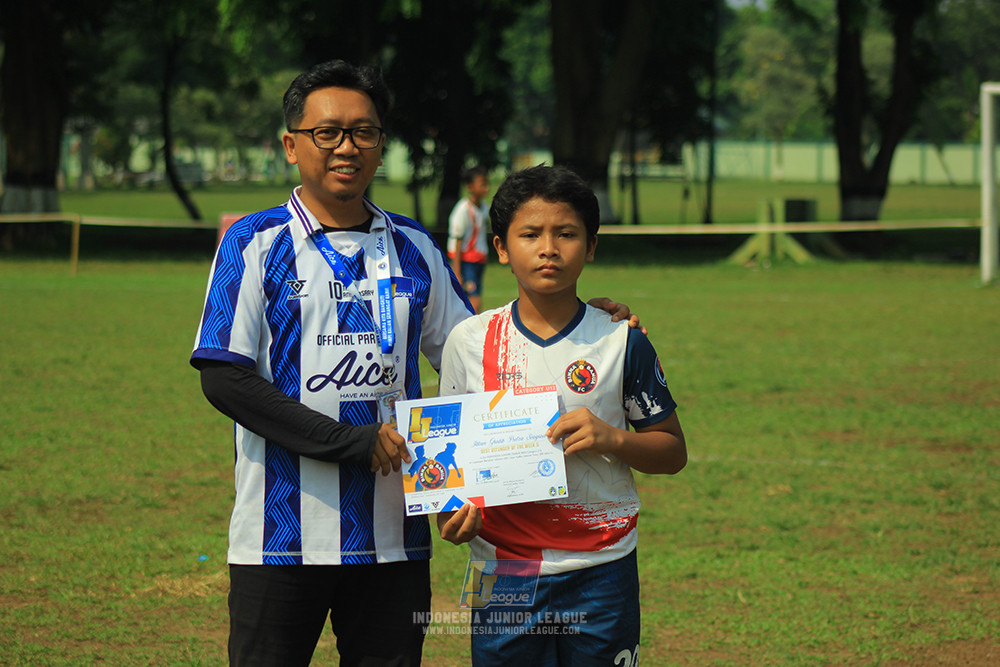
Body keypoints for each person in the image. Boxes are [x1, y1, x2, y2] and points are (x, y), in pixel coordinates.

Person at [190, 61, 643, 667]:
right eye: (328, 133)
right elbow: (225, 379)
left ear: (381, 145)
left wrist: (585, 319)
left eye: (364, 132)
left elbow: (486, 350)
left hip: (394, 541)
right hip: (277, 542)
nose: (347, 146)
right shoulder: (252, 241)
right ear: (291, 144)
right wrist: (349, 441)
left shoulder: (414, 247)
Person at [436, 165, 687, 667]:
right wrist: (450, 514)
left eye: (566, 234)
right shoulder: (468, 342)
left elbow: (672, 451)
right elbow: (445, 457)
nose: (548, 247)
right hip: (501, 569)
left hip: (602, 567)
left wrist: (610, 438)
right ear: (502, 248)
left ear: (591, 246)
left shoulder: (620, 339)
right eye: (530, 234)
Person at [447, 165, 491, 313]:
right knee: (475, 300)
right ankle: (472, 331)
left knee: (474, 297)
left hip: (479, 260)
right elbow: (457, 241)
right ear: (470, 187)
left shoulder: (484, 208)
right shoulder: (463, 210)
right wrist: (457, 272)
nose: (487, 188)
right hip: (467, 262)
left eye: (487, 184)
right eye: (482, 184)